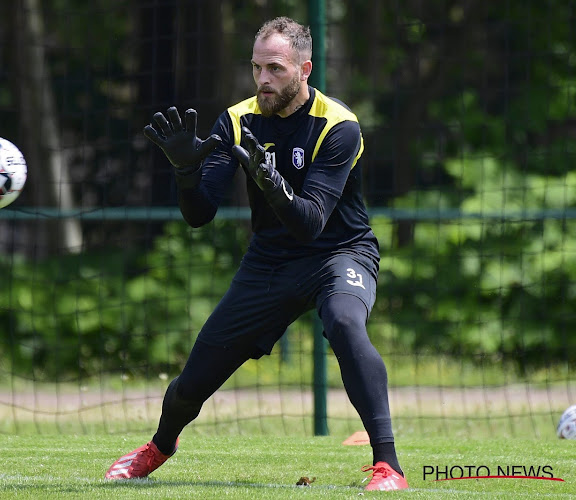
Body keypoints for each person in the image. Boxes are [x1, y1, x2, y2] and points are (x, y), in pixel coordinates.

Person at [104, 16, 408, 491]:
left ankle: (388, 465)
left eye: (276, 69)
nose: (264, 79)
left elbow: (310, 223)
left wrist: (274, 185)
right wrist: (185, 173)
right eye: (256, 68)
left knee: (347, 325)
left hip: (340, 253)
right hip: (270, 263)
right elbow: (200, 214)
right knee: (194, 377)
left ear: (304, 69)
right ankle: (159, 447)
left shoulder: (339, 126)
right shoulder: (237, 120)